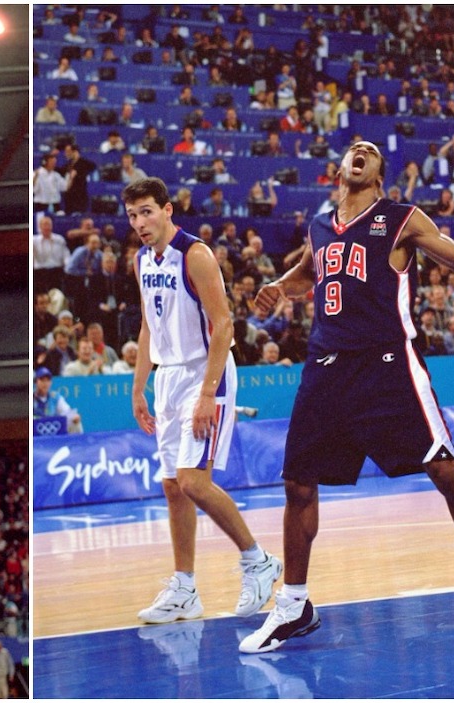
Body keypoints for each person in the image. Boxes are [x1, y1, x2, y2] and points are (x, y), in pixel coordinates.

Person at [242, 140, 454, 654]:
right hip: (326, 365)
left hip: (388, 364)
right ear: (340, 169)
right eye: (353, 149)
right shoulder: (321, 224)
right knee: (298, 484)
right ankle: (294, 604)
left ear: (380, 173)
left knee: (446, 472)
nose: (360, 152)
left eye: (369, 150)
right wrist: (279, 285)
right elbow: (307, 272)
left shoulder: (401, 217)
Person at [124, 177, 282, 625]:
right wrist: (139, 387)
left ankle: (258, 560)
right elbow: (146, 326)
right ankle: (184, 589)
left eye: (147, 212)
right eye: (133, 215)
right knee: (173, 486)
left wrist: (207, 394)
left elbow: (224, 325)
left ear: (168, 209)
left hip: (205, 372)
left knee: (193, 481)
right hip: (167, 376)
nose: (140, 222)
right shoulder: (141, 260)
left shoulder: (195, 255)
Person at [33, 367, 83, 433]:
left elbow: (67, 411)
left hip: (54, 429)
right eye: (42, 380)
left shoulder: (55, 397)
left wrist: (74, 416)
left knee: (76, 422)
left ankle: (77, 442)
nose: (45, 383)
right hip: (36, 429)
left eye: (48, 380)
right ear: (36, 382)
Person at [32, 214, 69, 295]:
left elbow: (66, 256)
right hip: (39, 272)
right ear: (40, 227)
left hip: (56, 271)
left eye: (49, 225)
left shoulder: (59, 239)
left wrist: (67, 268)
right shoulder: (34, 240)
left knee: (56, 295)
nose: (47, 227)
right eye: (44, 225)